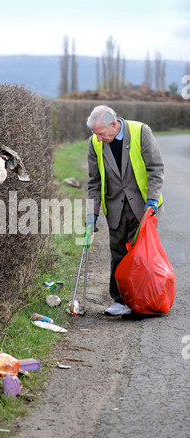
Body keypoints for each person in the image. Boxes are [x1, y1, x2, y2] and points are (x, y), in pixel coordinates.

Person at [86, 105, 164, 317]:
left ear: (114, 124)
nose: (98, 138)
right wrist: (91, 214)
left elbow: (155, 169)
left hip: (143, 205)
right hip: (115, 206)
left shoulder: (140, 132)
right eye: (95, 134)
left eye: (101, 133)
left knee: (141, 256)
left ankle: (142, 300)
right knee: (118, 253)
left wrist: (152, 201)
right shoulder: (95, 142)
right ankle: (120, 301)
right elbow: (94, 182)